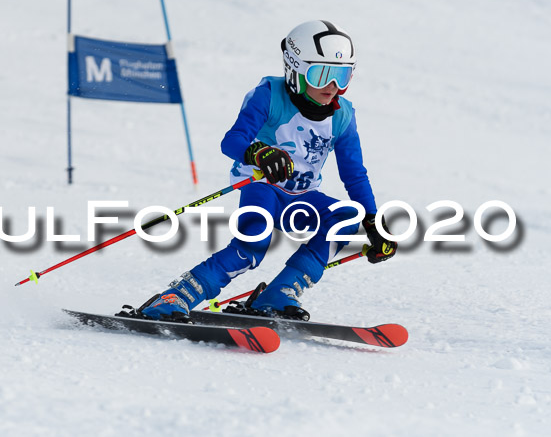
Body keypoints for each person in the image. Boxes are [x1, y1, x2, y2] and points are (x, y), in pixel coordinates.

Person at [139, 20, 397, 321]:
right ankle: (176, 296)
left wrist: (372, 222)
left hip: (303, 195)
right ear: (295, 70)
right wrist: (259, 152)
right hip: (261, 185)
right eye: (323, 74)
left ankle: (278, 294)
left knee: (344, 219)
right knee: (253, 243)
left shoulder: (342, 116)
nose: (333, 86)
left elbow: (354, 174)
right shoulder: (270, 95)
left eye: (343, 75)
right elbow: (232, 140)